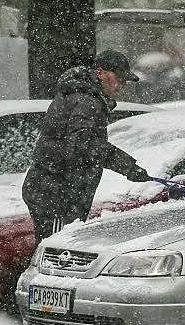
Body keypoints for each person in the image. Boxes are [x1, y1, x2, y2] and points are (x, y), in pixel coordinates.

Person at [22, 50, 150, 246]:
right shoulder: (86, 101)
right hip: (56, 194)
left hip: (56, 191)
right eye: (118, 79)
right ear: (100, 73)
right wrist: (129, 167)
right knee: (56, 250)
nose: (122, 85)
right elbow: (85, 143)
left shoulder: (83, 96)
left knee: (60, 250)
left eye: (125, 81)